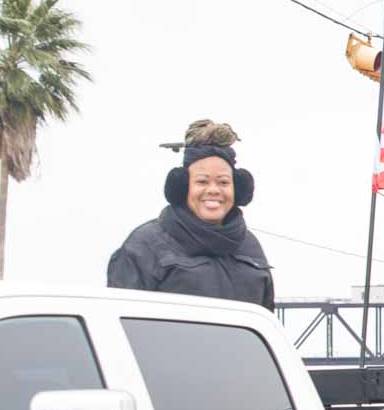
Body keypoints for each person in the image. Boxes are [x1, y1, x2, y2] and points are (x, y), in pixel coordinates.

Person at [107, 120, 274, 310]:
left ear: (239, 189)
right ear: (182, 186)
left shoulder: (250, 247)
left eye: (223, 182)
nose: (213, 190)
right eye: (202, 182)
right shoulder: (144, 245)